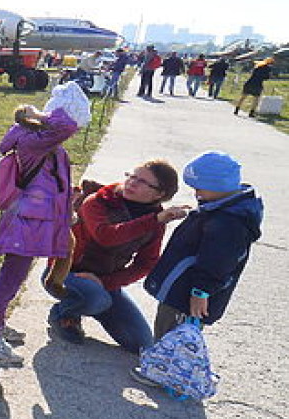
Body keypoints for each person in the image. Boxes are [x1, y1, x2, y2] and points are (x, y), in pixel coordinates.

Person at [0, 82, 91, 365]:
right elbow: (65, 125)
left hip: (35, 221)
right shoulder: (35, 140)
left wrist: (67, 210)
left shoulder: (47, 143)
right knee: (9, 281)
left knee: (14, 278)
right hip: (25, 224)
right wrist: (40, 114)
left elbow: (54, 185)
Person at [141, 152, 262, 384]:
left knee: (174, 329)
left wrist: (201, 291)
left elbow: (217, 263)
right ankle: (166, 365)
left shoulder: (229, 222)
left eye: (201, 188)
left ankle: (163, 370)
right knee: (171, 326)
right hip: (184, 286)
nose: (196, 193)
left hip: (189, 291)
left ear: (221, 186)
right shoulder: (219, 206)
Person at [45, 162, 189, 352]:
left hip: (103, 281)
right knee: (97, 300)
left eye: (142, 182)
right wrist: (155, 220)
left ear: (159, 194)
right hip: (63, 274)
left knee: (142, 345)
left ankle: (91, 301)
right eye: (132, 176)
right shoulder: (97, 201)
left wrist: (106, 282)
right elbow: (106, 236)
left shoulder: (155, 219)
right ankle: (64, 313)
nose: (131, 183)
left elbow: (146, 264)